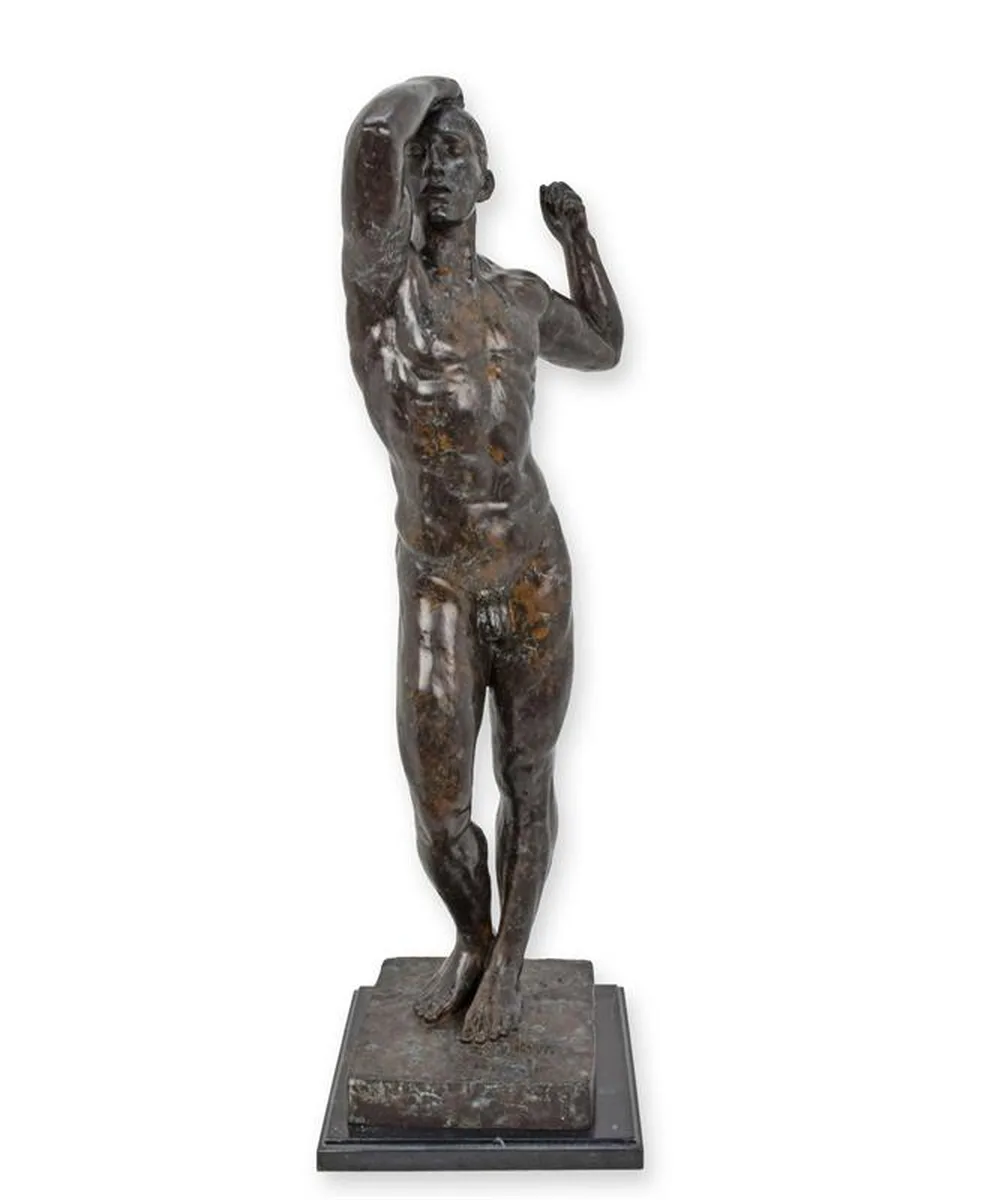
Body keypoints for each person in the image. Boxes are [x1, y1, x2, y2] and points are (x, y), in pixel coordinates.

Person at [341, 77, 623, 1042]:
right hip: (439, 579)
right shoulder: (388, 299)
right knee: (440, 812)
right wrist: (435, 93)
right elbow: (373, 138)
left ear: (487, 181)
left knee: (528, 774)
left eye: (455, 152)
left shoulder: (520, 299)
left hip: (532, 566)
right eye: (423, 157)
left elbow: (606, 345)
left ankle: (509, 960)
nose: (434, 170)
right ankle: (473, 933)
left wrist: (577, 238)